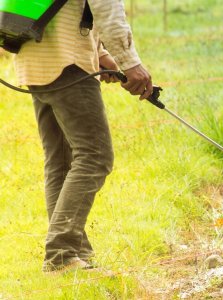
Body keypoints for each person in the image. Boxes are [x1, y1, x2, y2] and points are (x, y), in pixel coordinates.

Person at [14, 0, 152, 274]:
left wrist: (100, 54)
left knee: (60, 161)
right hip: (68, 63)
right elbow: (107, 8)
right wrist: (131, 63)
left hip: (35, 57)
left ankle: (73, 254)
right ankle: (61, 255)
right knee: (95, 156)